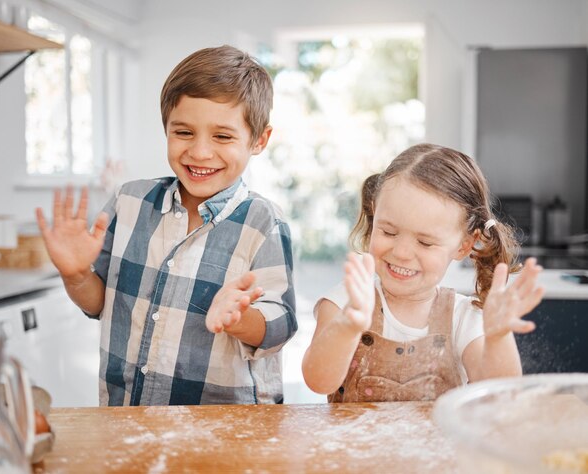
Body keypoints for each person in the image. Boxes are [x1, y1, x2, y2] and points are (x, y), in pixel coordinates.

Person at [36, 45, 297, 406]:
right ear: (166, 129)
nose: (200, 152)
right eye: (184, 132)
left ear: (259, 140)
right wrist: (78, 275)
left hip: (223, 437)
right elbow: (99, 304)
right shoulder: (128, 203)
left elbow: (279, 326)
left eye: (222, 136)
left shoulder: (264, 222)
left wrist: (239, 319)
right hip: (128, 417)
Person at [302, 143, 544, 402]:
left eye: (425, 242)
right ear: (375, 214)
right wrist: (347, 326)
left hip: (438, 444)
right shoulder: (346, 301)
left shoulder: (463, 318)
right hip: (354, 444)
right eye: (388, 232)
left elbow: (501, 398)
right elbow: (318, 382)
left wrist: (498, 338)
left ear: (463, 245)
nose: (402, 252)